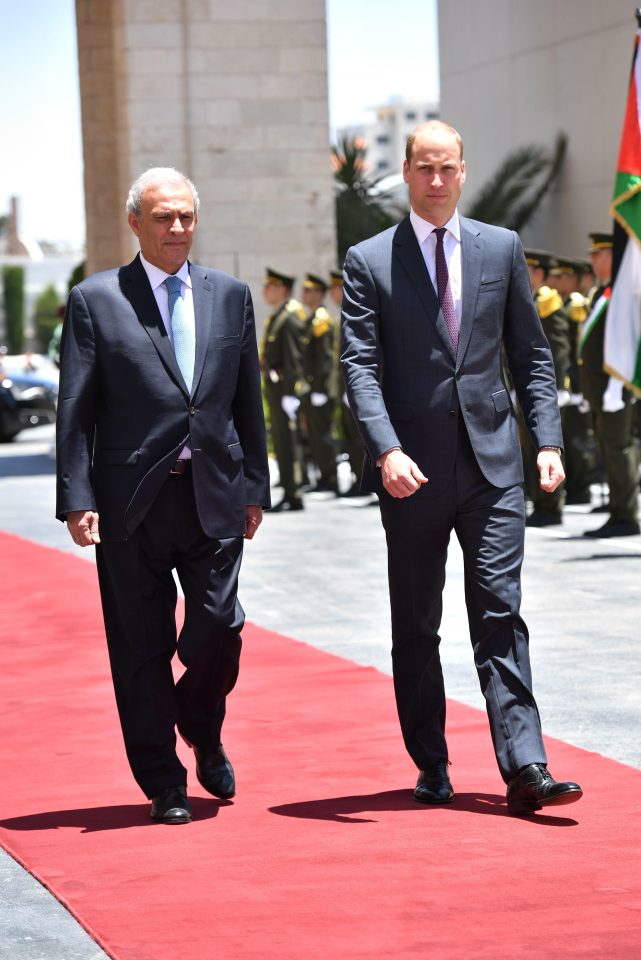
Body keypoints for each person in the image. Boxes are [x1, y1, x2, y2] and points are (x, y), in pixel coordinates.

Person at [341, 120, 583, 815]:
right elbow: (359, 365)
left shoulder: (498, 248)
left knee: (499, 610)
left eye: (447, 168)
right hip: (409, 470)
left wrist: (547, 441)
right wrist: (385, 448)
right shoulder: (369, 260)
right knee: (416, 624)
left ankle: (524, 766)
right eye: (424, 168)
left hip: (493, 466)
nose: (436, 180)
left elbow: (530, 355)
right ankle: (430, 760)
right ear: (407, 174)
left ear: (463, 171)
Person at [56, 167, 270, 825]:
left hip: (213, 493)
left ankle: (200, 725)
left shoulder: (229, 295)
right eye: (162, 217)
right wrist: (76, 495)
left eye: (185, 216)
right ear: (135, 223)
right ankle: (164, 781)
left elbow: (245, 399)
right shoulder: (96, 299)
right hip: (129, 503)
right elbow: (76, 404)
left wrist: (255, 486)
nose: (176, 228)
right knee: (140, 646)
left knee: (220, 628)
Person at [580, 232, 640, 537]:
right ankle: (618, 509)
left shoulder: (622, 296)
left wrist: (620, 383)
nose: (592, 260)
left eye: (598, 254)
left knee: (619, 448)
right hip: (600, 389)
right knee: (609, 447)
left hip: (616, 387)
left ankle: (626, 515)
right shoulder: (603, 294)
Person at [522, 250, 571, 526]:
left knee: (548, 448)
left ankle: (551, 506)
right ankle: (540, 502)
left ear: (539, 273)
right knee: (531, 449)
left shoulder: (547, 301)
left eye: (529, 270)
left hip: (546, 389)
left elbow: (557, 347)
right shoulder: (530, 299)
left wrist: (559, 384)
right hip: (527, 389)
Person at [261, 268, 308, 512]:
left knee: (290, 442)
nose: (264, 291)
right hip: (277, 387)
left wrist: (291, 392)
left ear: (281, 288)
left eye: (269, 286)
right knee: (282, 441)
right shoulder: (279, 315)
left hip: (285, 389)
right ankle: (290, 490)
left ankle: (295, 492)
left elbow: (293, 358)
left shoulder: (289, 317)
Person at [328, 268, 364, 496]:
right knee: (350, 436)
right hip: (345, 387)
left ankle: (362, 480)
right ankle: (356, 478)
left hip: (356, 387)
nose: (333, 292)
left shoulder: (356, 312)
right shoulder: (343, 313)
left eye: (337, 287)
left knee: (360, 438)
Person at [300, 273, 338, 493]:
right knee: (315, 434)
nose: (304, 294)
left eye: (309, 290)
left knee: (323, 434)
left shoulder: (321, 319)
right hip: (313, 387)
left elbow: (325, 358)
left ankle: (330, 477)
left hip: (320, 388)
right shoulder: (312, 317)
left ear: (318, 294)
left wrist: (321, 387)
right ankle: (324, 476)